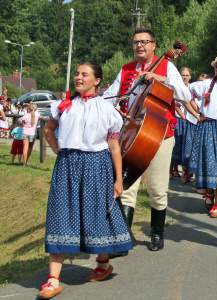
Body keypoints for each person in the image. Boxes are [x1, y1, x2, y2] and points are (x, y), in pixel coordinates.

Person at [39, 63, 133, 299]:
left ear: (97, 80)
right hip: (67, 165)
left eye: (84, 74)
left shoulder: (106, 109)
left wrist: (118, 180)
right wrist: (59, 150)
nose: (78, 78)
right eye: (77, 74)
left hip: (96, 165)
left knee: (94, 216)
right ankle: (52, 279)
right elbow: (48, 129)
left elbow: (113, 146)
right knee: (62, 214)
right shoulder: (63, 106)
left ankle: (102, 264)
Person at [103, 27, 193, 252]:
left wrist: (159, 78)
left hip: (159, 134)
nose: (140, 45)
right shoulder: (125, 70)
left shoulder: (167, 66)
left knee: (157, 187)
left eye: (145, 41)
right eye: (136, 42)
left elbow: (185, 95)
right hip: (130, 134)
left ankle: (156, 233)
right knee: (125, 187)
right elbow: (109, 98)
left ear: (154, 45)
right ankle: (122, 239)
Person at [188, 55, 217, 218]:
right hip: (207, 127)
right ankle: (209, 192)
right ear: (215, 69)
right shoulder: (205, 84)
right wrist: (196, 113)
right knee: (209, 163)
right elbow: (185, 94)